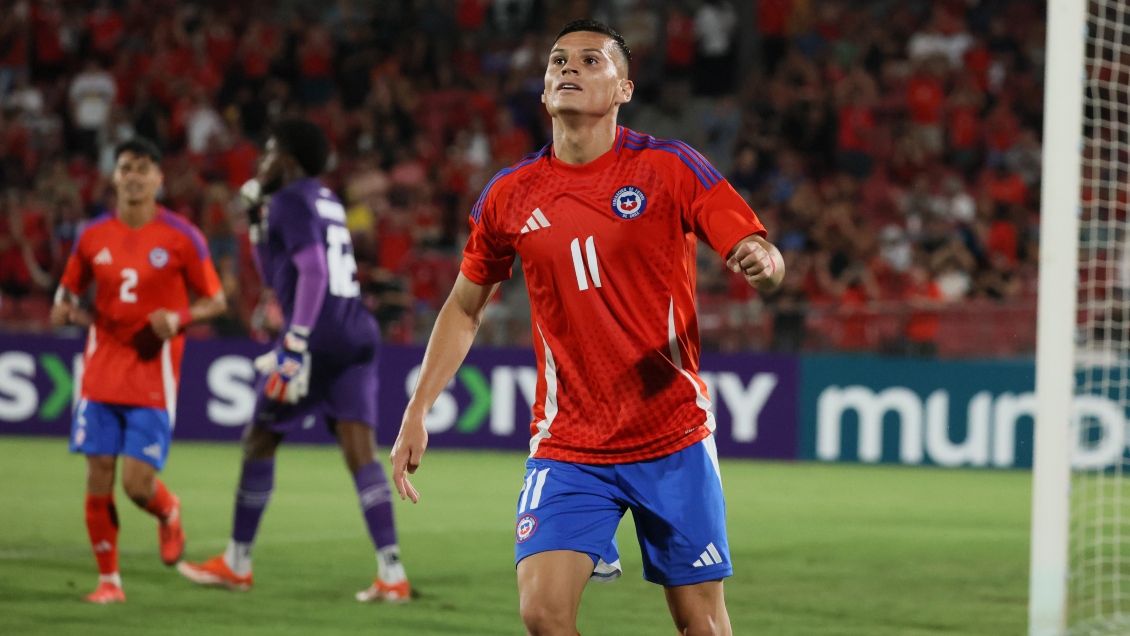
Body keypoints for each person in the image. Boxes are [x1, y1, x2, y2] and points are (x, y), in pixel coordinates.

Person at [389, 20, 785, 636]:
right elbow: (465, 306)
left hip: (671, 435)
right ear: (545, 91)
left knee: (701, 625)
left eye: (590, 60)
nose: (569, 68)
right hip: (569, 442)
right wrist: (418, 410)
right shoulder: (510, 195)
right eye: (557, 61)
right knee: (543, 616)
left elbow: (760, 249)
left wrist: (762, 264)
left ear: (624, 87)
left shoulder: (670, 167)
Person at [177, 119, 411, 603]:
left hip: (318, 338)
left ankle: (237, 563)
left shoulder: (290, 198)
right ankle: (392, 573)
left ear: (286, 160)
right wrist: (259, 229)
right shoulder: (321, 197)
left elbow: (311, 270)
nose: (260, 162)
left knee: (260, 440)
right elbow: (279, 275)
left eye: (267, 153)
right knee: (359, 453)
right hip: (355, 330)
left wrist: (295, 343)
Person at [51, 137, 227, 603]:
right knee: (98, 470)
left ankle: (168, 511)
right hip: (102, 368)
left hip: (153, 371)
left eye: (143, 168)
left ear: (158, 179)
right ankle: (109, 582)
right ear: (114, 175)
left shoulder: (182, 236)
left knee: (136, 484)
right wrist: (63, 310)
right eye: (125, 166)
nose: (133, 175)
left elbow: (217, 300)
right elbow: (66, 294)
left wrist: (180, 319)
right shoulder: (92, 236)